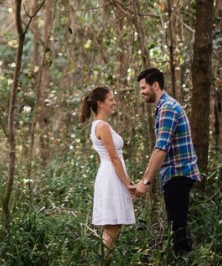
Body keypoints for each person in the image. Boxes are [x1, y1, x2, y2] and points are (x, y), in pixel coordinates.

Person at [133, 67, 201, 254]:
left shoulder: (168, 108)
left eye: (143, 87)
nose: (142, 92)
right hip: (175, 175)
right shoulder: (164, 107)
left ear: (155, 85)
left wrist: (146, 181)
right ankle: (184, 263)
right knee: (178, 226)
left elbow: (161, 148)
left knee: (178, 229)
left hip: (178, 174)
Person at [80, 86, 136, 248]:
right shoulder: (102, 126)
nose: (114, 103)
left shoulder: (101, 125)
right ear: (100, 103)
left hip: (111, 175)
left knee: (114, 226)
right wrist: (128, 184)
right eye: (111, 99)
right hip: (111, 176)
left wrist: (127, 181)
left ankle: (106, 265)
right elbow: (114, 158)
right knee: (112, 226)